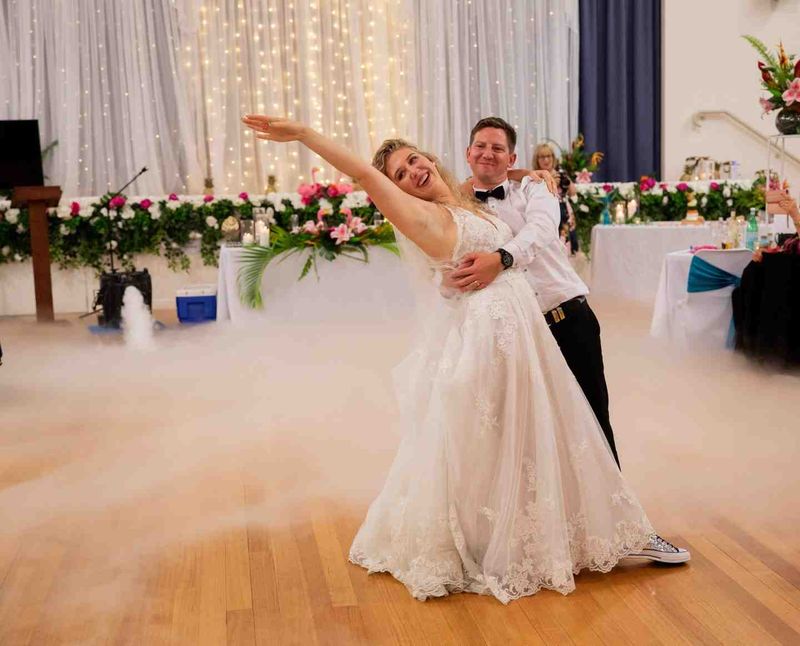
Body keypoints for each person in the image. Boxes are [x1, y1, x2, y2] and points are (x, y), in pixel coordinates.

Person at [242, 114, 672, 603]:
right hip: (494, 338)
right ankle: (506, 540)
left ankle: (585, 528)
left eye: (413, 160)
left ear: (431, 157)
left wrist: (524, 178)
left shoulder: (477, 199)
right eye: (400, 174)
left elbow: (532, 228)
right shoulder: (421, 214)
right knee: (503, 442)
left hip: (535, 329)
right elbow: (363, 174)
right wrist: (304, 135)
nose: (412, 172)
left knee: (557, 433)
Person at [447, 116, 690, 564]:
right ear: (467, 153)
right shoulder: (458, 206)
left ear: (511, 157)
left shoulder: (534, 190)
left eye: (498, 148)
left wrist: (501, 258)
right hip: (512, 334)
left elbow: (540, 233)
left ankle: (629, 531)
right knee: (522, 435)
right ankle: (546, 535)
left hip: (566, 320)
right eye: (480, 146)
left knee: (593, 425)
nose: (487, 154)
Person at [533, 142, 578, 254]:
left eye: (549, 156)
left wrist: (566, 178)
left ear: (553, 158)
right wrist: (550, 182)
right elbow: (534, 196)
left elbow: (573, 193)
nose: (546, 160)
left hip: (564, 212)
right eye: (542, 157)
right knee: (551, 250)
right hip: (546, 213)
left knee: (566, 247)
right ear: (537, 160)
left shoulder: (560, 173)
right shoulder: (535, 176)